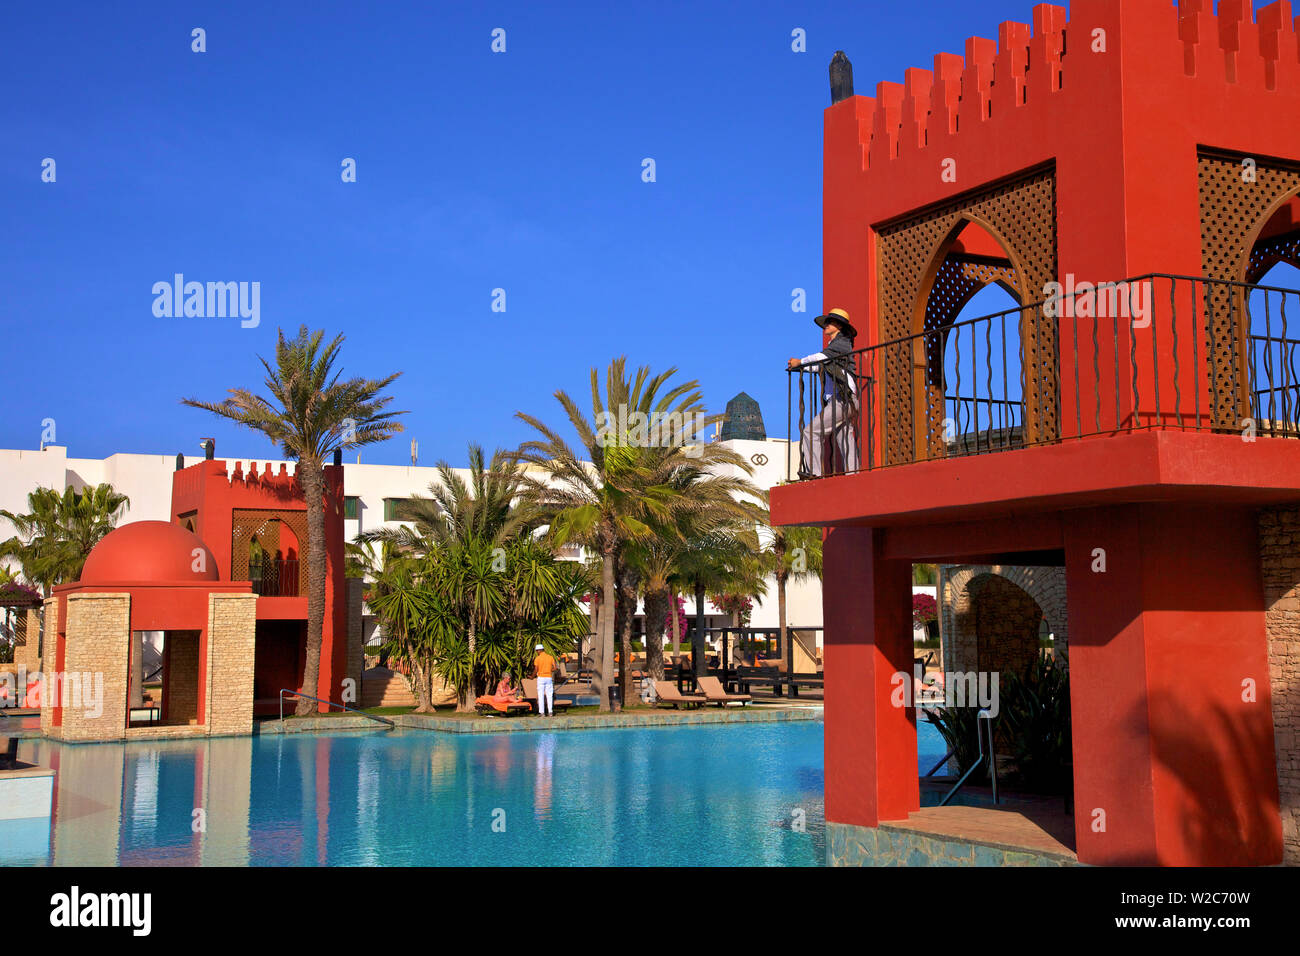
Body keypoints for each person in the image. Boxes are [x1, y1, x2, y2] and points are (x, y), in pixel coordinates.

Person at [788, 308, 861, 477]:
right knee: (844, 438)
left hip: (842, 398)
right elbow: (821, 365)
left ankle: (815, 472)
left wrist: (800, 361)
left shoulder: (842, 343)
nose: (826, 325)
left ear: (839, 326)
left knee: (811, 431)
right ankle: (855, 474)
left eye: (830, 322)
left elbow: (822, 357)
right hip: (846, 400)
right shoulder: (835, 346)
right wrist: (802, 368)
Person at [532, 643, 556, 717]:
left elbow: (536, 669)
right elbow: (555, 668)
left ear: (539, 650)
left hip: (541, 678)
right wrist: (549, 670)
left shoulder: (538, 659)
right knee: (549, 695)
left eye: (537, 651)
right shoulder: (550, 657)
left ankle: (542, 713)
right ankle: (550, 712)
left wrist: (532, 676)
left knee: (541, 695)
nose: (537, 652)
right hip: (548, 677)